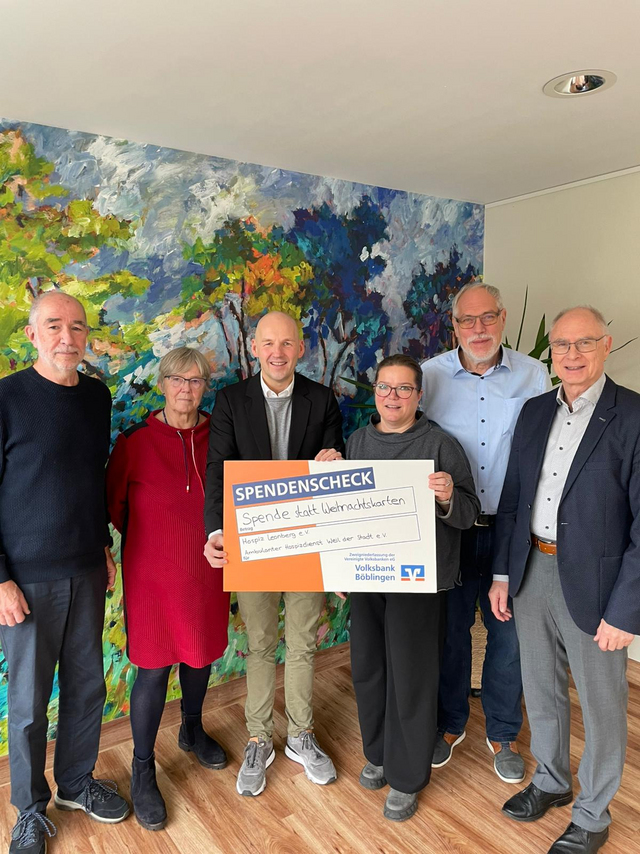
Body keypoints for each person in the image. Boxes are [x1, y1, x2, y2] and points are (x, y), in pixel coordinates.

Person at [489, 306, 640, 854]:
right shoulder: (534, 412)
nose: (571, 355)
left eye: (584, 343)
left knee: (601, 704)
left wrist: (626, 612)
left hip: (599, 583)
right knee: (540, 685)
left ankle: (594, 814)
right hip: (531, 569)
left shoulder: (633, 416)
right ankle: (551, 780)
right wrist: (502, 573)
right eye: (561, 345)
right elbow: (513, 498)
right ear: (550, 352)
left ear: (606, 345)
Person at [0, 291, 129, 854]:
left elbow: (88, 478)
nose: (67, 337)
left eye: (77, 327)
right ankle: (29, 810)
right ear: (32, 335)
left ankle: (76, 784)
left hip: (86, 568)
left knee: (88, 685)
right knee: (29, 704)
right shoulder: (6, 398)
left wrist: (102, 544)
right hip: (26, 579)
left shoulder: (97, 397)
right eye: (54, 325)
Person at [203, 311, 345, 797]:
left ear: (300, 349)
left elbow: (335, 468)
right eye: (268, 343)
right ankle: (259, 739)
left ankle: (301, 735)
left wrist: (333, 459)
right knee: (261, 644)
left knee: (303, 643)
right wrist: (216, 531)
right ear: (254, 348)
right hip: (252, 543)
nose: (278, 352)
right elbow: (218, 470)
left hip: (306, 541)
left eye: (287, 343)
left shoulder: (321, 399)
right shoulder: (230, 400)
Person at [421, 282, 551, 782]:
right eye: (467, 320)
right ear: (453, 325)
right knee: (450, 634)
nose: (479, 329)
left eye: (488, 318)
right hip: (449, 529)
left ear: (502, 318)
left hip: (510, 530)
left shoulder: (534, 375)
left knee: (508, 636)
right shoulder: (429, 376)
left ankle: (502, 733)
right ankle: (450, 724)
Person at [346, 354, 479, 821]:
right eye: (385, 387)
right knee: (369, 668)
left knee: (412, 676)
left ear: (419, 396)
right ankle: (379, 753)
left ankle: (407, 776)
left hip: (418, 582)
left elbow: (468, 514)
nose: (393, 397)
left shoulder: (440, 445)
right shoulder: (357, 442)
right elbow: (343, 516)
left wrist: (448, 496)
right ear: (375, 391)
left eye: (404, 389)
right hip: (366, 577)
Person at [106, 346, 230, 831]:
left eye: (195, 380)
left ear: (205, 387)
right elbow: (114, 505)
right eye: (177, 379)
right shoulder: (134, 442)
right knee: (154, 669)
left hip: (207, 568)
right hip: (151, 575)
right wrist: (156, 541)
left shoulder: (221, 436)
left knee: (200, 656)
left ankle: (192, 729)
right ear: (162, 384)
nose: (186, 389)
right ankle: (142, 769)